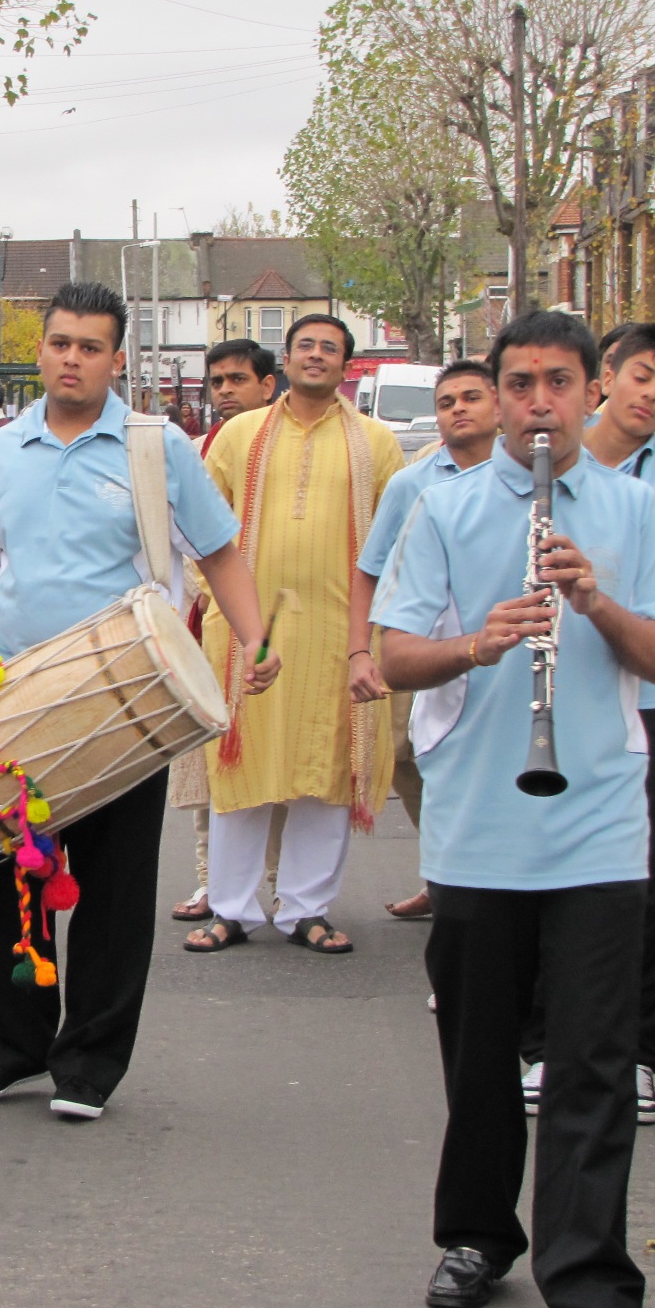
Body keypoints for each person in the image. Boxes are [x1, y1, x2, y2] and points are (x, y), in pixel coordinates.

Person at [0, 281, 275, 1122]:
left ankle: (90, 1066)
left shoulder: (157, 448)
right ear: (41, 352)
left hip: (124, 699)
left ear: (116, 359)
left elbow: (220, 553)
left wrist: (253, 638)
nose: (72, 358)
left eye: (90, 346)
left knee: (112, 889)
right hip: (9, 698)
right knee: (4, 880)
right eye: (60, 343)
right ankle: (16, 1048)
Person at [375, 310, 655, 1308]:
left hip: (594, 821)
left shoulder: (631, 511)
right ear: (498, 396)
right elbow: (390, 660)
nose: (538, 403)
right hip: (475, 823)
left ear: (590, 390)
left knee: (591, 1063)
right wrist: (475, 644)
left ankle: (586, 1269)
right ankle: (474, 1235)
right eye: (519, 384)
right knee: (478, 1057)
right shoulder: (444, 507)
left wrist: (593, 601)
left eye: (558, 381)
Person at [511, 321, 655, 1130]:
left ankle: (634, 1053)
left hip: (641, 701)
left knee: (640, 889)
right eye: (641, 378)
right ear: (604, 381)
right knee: (535, 873)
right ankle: (541, 1044)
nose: (651, 397)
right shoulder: (549, 452)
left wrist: (601, 601)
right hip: (549, 692)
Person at [187, 313, 404, 958]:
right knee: (241, 767)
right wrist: (217, 608)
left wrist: (375, 633)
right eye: (305, 345)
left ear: (345, 365)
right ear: (285, 358)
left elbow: (392, 544)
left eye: (329, 348)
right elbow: (201, 531)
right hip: (249, 633)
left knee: (326, 769)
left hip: (342, 632)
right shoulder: (238, 434)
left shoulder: (377, 442)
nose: (315, 355)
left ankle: (306, 909)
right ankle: (230, 908)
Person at [347, 358, 499, 923]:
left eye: (470, 398)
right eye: (446, 402)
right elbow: (369, 567)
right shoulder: (412, 483)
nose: (458, 409)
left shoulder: (531, 480)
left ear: (499, 407)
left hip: (502, 648)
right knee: (411, 760)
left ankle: (486, 880)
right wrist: (361, 651)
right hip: (417, 648)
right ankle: (443, 875)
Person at [169, 337, 278, 924]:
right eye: (217, 383)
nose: (225, 393)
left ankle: (281, 882)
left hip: (270, 623)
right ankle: (212, 880)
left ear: (268, 385)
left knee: (276, 758)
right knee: (211, 758)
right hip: (203, 622)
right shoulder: (188, 450)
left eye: (238, 380)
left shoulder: (282, 448)